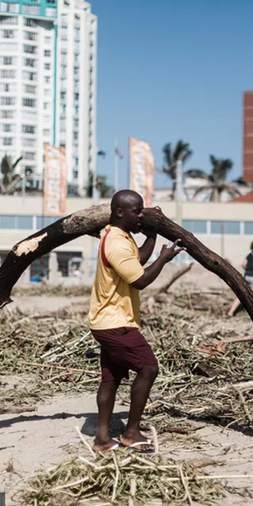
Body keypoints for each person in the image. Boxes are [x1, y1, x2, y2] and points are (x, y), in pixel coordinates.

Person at [88, 190, 185, 453]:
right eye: (137, 211)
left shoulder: (119, 235)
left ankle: (102, 439)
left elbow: (137, 261)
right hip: (116, 323)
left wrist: (152, 237)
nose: (141, 215)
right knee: (148, 368)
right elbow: (139, 279)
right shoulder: (116, 243)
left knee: (111, 378)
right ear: (120, 212)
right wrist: (163, 259)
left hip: (106, 320)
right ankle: (131, 433)